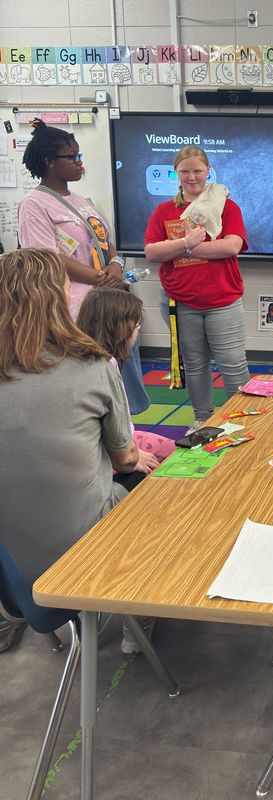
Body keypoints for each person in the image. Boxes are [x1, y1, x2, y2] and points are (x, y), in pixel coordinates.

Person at [0, 249, 155, 653]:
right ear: (59, 297)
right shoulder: (92, 366)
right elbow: (126, 460)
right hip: (82, 554)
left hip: (13, 573)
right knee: (152, 484)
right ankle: (139, 616)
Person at [17, 119, 149, 415]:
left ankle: (124, 440)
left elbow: (107, 244)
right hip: (76, 309)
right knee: (90, 382)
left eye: (80, 156)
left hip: (108, 300)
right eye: (73, 157)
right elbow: (46, 257)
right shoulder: (34, 204)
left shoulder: (82, 201)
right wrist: (100, 278)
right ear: (50, 162)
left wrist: (114, 267)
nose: (80, 163)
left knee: (118, 379)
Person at [144, 146, 250, 425]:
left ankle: (242, 422)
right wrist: (185, 243)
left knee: (233, 366)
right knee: (194, 367)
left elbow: (232, 246)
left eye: (197, 171)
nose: (191, 177)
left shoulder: (227, 206)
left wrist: (183, 248)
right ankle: (202, 421)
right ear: (176, 174)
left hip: (223, 301)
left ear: (208, 172)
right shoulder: (163, 211)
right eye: (185, 171)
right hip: (181, 301)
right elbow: (153, 253)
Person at [76, 288, 176, 487]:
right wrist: (136, 458)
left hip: (114, 445)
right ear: (119, 327)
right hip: (109, 454)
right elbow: (118, 444)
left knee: (173, 448)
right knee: (171, 461)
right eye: (136, 323)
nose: (138, 329)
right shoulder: (106, 366)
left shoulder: (91, 359)